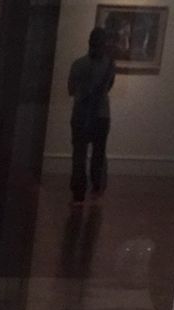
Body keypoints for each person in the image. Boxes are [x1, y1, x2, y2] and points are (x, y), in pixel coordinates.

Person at [66, 27, 118, 204]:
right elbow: (108, 87)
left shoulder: (77, 64)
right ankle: (97, 188)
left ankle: (78, 193)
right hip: (101, 115)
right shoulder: (109, 65)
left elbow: (71, 90)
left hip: (80, 113)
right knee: (99, 153)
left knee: (79, 154)